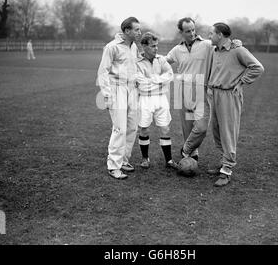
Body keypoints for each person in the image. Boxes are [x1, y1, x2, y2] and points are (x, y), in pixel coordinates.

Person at [165, 17, 241, 164]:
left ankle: (185, 149)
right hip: (182, 91)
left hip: (201, 91)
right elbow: (163, 61)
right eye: (188, 31)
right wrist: (146, 57)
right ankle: (191, 156)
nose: (192, 33)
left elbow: (223, 46)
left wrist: (235, 43)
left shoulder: (207, 45)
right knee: (187, 126)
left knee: (200, 127)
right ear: (181, 32)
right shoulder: (177, 50)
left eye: (193, 29)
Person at [207, 22, 264, 187]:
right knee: (217, 131)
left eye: (211, 33)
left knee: (228, 132)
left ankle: (227, 171)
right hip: (215, 94)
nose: (209, 36)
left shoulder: (238, 50)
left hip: (229, 95)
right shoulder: (215, 50)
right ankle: (223, 162)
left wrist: (242, 83)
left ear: (220, 35)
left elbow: (257, 68)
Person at [97, 17, 142, 180]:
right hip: (117, 90)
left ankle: (123, 160)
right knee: (120, 129)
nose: (139, 32)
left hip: (132, 89)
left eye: (139, 29)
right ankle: (113, 166)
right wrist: (108, 96)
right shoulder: (111, 47)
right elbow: (102, 72)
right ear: (127, 31)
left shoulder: (134, 46)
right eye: (136, 29)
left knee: (132, 127)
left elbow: (134, 68)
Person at [135, 32, 179, 170]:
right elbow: (142, 85)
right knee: (144, 129)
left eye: (157, 45)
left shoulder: (161, 60)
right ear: (144, 46)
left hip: (161, 99)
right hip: (145, 99)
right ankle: (145, 158)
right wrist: (160, 81)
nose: (156, 48)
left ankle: (169, 160)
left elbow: (170, 75)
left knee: (165, 129)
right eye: (153, 46)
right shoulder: (137, 63)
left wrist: (152, 81)